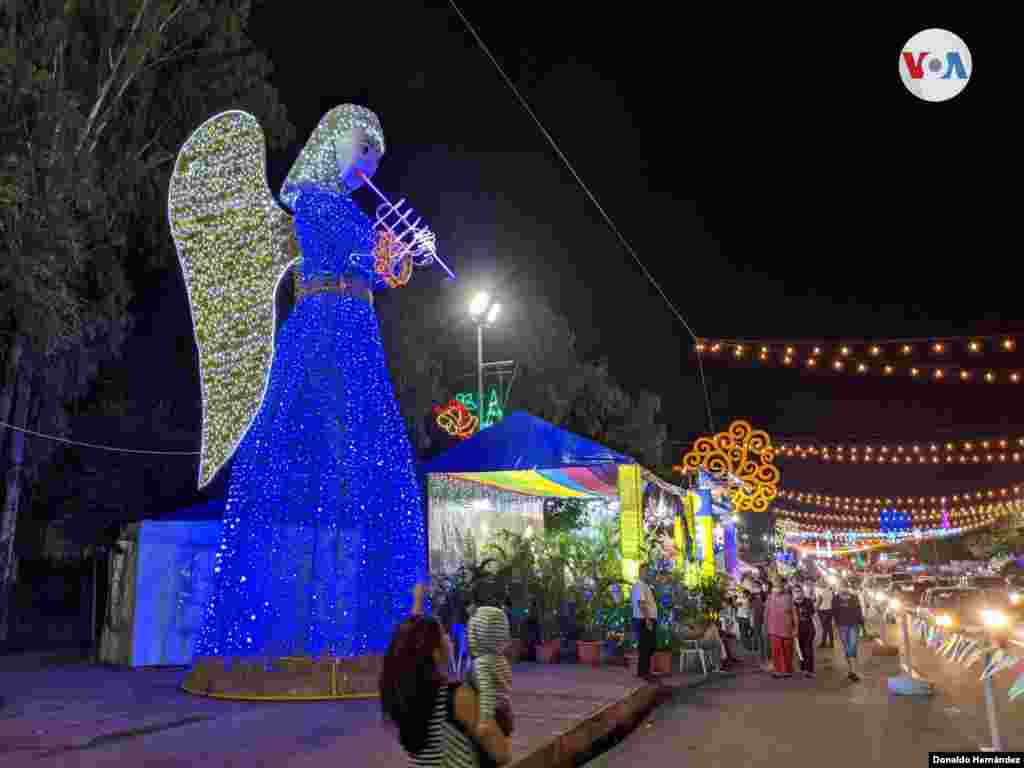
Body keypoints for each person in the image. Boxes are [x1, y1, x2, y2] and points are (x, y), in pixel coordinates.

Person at [183, 106, 432, 658]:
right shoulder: (312, 201)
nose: (370, 161)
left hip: (359, 330)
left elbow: (371, 273)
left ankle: (374, 637)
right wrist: (383, 248)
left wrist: (398, 261)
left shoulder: (352, 209)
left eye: (377, 156)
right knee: (318, 443)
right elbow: (335, 254)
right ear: (334, 143)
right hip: (322, 328)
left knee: (367, 449)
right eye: (364, 147)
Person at [380, 585, 510, 767]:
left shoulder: (404, 697)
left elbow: (411, 640)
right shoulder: (456, 698)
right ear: (434, 653)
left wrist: (417, 601)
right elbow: (502, 753)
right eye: (444, 635)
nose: (449, 639)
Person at [465, 607, 515, 738]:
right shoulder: (500, 659)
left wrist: (485, 721)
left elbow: (487, 692)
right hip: (505, 712)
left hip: (491, 716)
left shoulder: (482, 663)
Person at [832, 583, 866, 682]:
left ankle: (854, 671)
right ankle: (851, 670)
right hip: (842, 626)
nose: (843, 589)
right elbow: (834, 612)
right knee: (847, 648)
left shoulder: (854, 597)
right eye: (841, 587)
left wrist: (862, 626)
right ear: (839, 588)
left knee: (852, 647)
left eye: (845, 587)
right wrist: (835, 624)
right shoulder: (835, 599)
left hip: (854, 625)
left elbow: (859, 611)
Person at [766, 576, 798, 678]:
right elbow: (766, 613)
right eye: (775, 583)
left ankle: (787, 670)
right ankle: (779, 670)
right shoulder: (769, 597)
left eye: (779, 583)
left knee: (788, 650)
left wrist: (796, 628)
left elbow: (794, 613)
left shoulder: (789, 597)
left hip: (787, 628)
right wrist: (765, 627)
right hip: (774, 629)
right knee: (776, 651)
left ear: (783, 584)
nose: (777, 585)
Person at [631, 566, 658, 682]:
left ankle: (645, 672)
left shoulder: (644, 585)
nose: (649, 574)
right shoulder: (639, 585)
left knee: (648, 647)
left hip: (646, 619)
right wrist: (647, 620)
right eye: (647, 572)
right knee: (646, 647)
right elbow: (641, 603)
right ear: (642, 572)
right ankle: (644, 673)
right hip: (644, 619)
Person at [792, 584, 816, 678]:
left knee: (808, 649)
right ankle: (803, 667)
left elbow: (812, 613)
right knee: (800, 649)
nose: (797, 593)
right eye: (795, 591)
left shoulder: (808, 601)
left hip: (808, 628)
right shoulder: (792, 603)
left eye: (799, 591)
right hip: (798, 630)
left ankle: (810, 670)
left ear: (802, 592)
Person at [816, 580, 835, 649]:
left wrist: (815, 609)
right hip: (830, 610)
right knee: (829, 627)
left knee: (825, 627)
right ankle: (831, 643)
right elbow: (833, 600)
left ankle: (823, 643)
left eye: (819, 582)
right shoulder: (830, 590)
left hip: (822, 611)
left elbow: (819, 601)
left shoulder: (820, 591)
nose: (818, 583)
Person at [749, 582, 765, 657]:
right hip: (756, 618)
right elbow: (750, 608)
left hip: (763, 618)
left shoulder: (763, 594)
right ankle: (760, 652)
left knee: (762, 636)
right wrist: (751, 619)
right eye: (754, 586)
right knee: (758, 635)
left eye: (757, 586)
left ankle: (762, 652)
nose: (755, 587)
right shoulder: (752, 596)